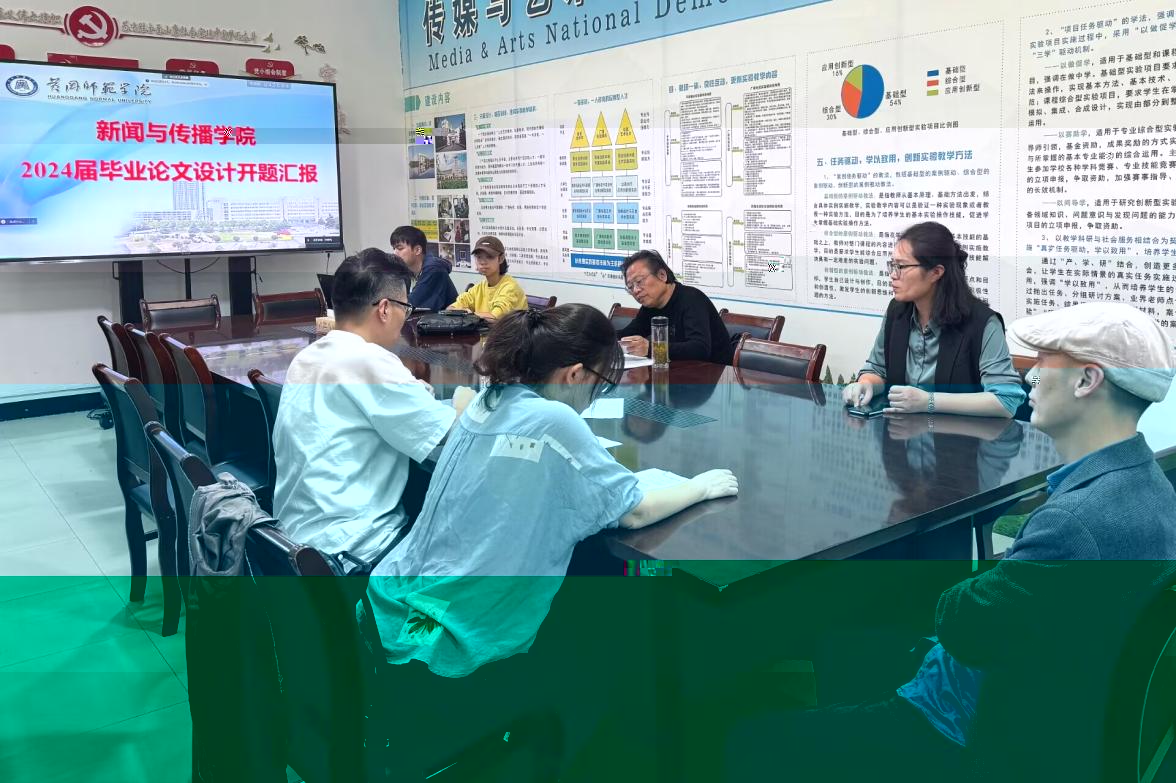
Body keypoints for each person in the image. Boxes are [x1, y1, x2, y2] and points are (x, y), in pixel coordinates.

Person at [726, 301, 1176, 783]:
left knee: (748, 740)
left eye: (1045, 361)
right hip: (1064, 693)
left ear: (1087, 381)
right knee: (842, 644)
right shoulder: (1153, 486)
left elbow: (963, 624)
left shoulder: (1072, 524)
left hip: (977, 726)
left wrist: (982, 583)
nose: (1031, 377)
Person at [361, 304, 738, 775]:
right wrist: (700, 487)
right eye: (600, 384)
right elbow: (635, 510)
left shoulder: (487, 399)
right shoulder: (555, 421)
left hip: (392, 606)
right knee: (603, 649)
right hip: (452, 635)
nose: (595, 397)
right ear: (575, 374)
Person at [272, 248, 474, 574]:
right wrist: (469, 404)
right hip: (355, 551)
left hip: (292, 544)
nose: (404, 319)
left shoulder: (308, 357)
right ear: (384, 309)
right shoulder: (370, 361)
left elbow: (390, 400)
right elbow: (450, 431)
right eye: (405, 308)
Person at [842, 222, 1025, 418]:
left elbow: (1006, 401)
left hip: (959, 435)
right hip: (900, 432)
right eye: (892, 265)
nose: (893, 275)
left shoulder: (982, 323)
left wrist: (929, 401)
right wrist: (866, 384)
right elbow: (878, 369)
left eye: (901, 266)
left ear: (936, 272)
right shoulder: (897, 312)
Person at [616, 249, 733, 365]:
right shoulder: (650, 306)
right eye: (630, 287)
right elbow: (626, 335)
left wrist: (651, 349)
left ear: (662, 275)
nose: (636, 290)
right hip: (676, 370)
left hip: (714, 372)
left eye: (639, 281)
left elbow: (700, 349)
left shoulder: (692, 299)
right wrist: (605, 336)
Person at [447, 235, 527, 320]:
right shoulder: (479, 287)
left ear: (501, 259)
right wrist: (463, 312)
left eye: (489, 257)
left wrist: (466, 314)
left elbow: (494, 318)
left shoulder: (510, 288)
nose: (483, 262)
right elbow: (450, 309)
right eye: (479, 257)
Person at [390, 225, 458, 311]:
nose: (395, 253)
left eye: (400, 248)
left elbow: (410, 305)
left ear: (418, 250)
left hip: (445, 319)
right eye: (394, 248)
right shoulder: (406, 270)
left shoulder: (434, 270)